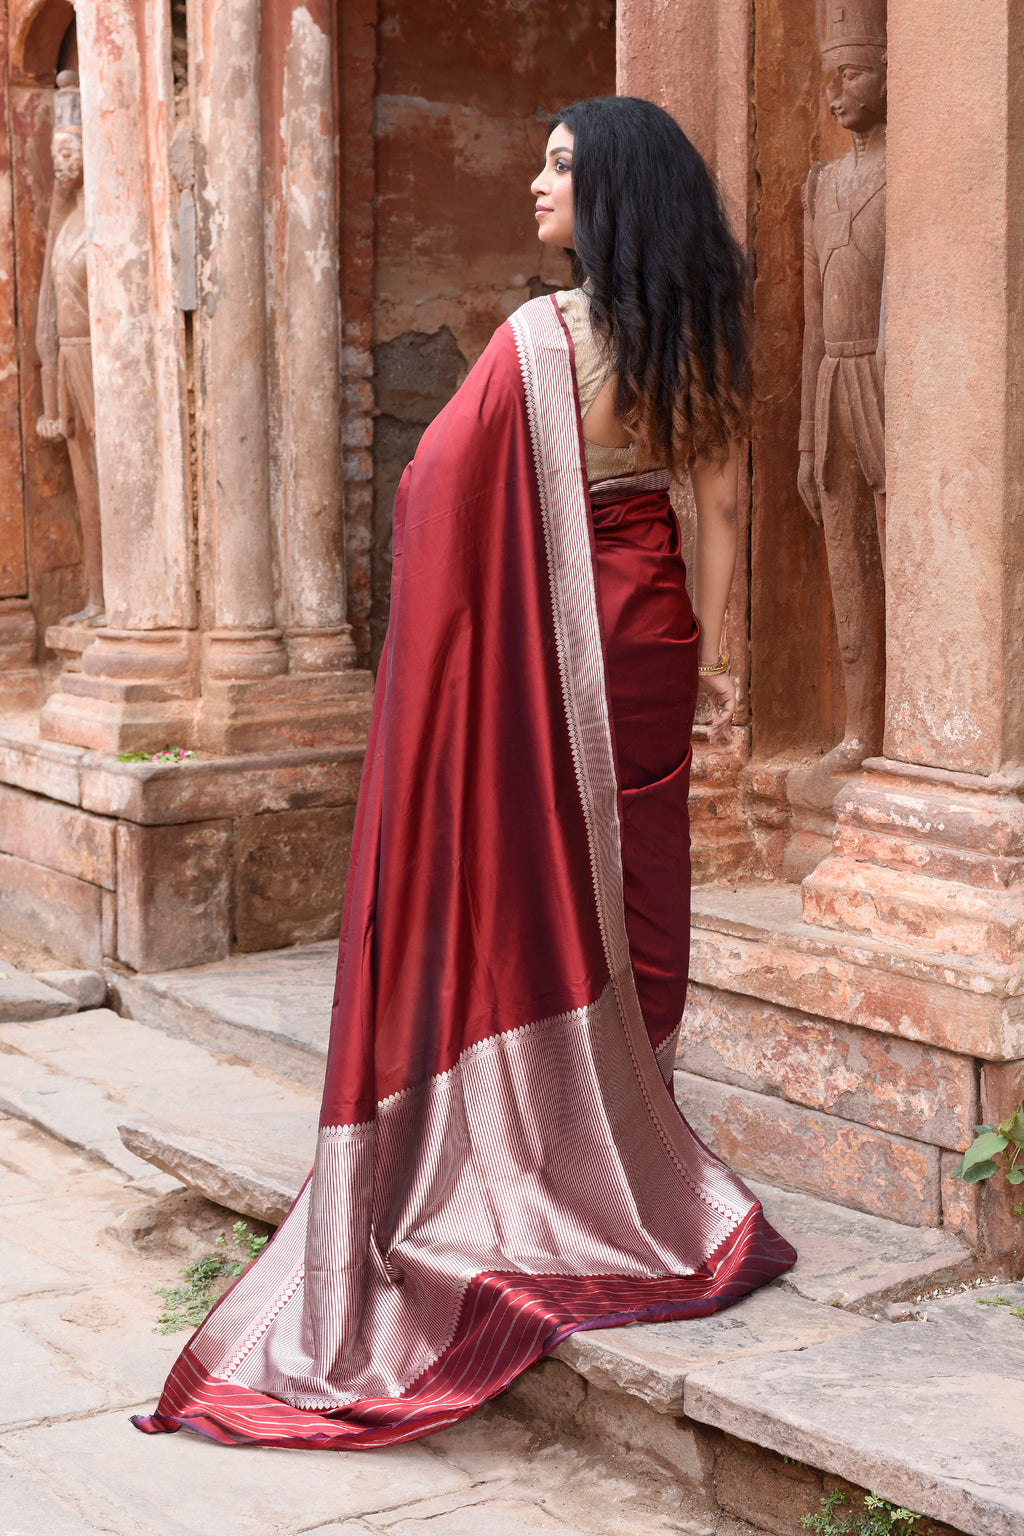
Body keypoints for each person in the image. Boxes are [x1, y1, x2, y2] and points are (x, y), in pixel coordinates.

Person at [134, 95, 795, 1452]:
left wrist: (457, 635)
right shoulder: (693, 336)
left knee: (538, 882)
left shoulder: (538, 341)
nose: (536, 188)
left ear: (609, 191)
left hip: (565, 646)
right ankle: (627, 1142)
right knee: (638, 897)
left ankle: (556, 1162)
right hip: (651, 624)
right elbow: (714, 505)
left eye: (560, 168)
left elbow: (436, 485)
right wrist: (709, 656)